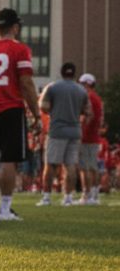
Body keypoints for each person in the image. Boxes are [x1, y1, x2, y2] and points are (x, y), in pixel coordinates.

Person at [0, 7, 42, 221]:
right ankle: (4, 210)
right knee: (9, 160)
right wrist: (37, 115)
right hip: (10, 108)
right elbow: (26, 83)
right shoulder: (19, 50)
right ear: (15, 27)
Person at [36, 62, 90, 208]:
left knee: (51, 165)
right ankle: (68, 198)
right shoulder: (82, 91)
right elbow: (88, 112)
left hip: (57, 130)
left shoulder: (53, 87)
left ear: (61, 73)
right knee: (71, 165)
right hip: (75, 131)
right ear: (74, 74)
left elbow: (44, 106)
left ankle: (47, 198)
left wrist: (55, 111)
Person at [77, 73, 104, 205]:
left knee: (85, 167)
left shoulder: (88, 97)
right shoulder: (97, 98)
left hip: (86, 136)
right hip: (94, 137)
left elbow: (88, 117)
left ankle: (86, 195)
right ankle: (94, 194)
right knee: (93, 166)